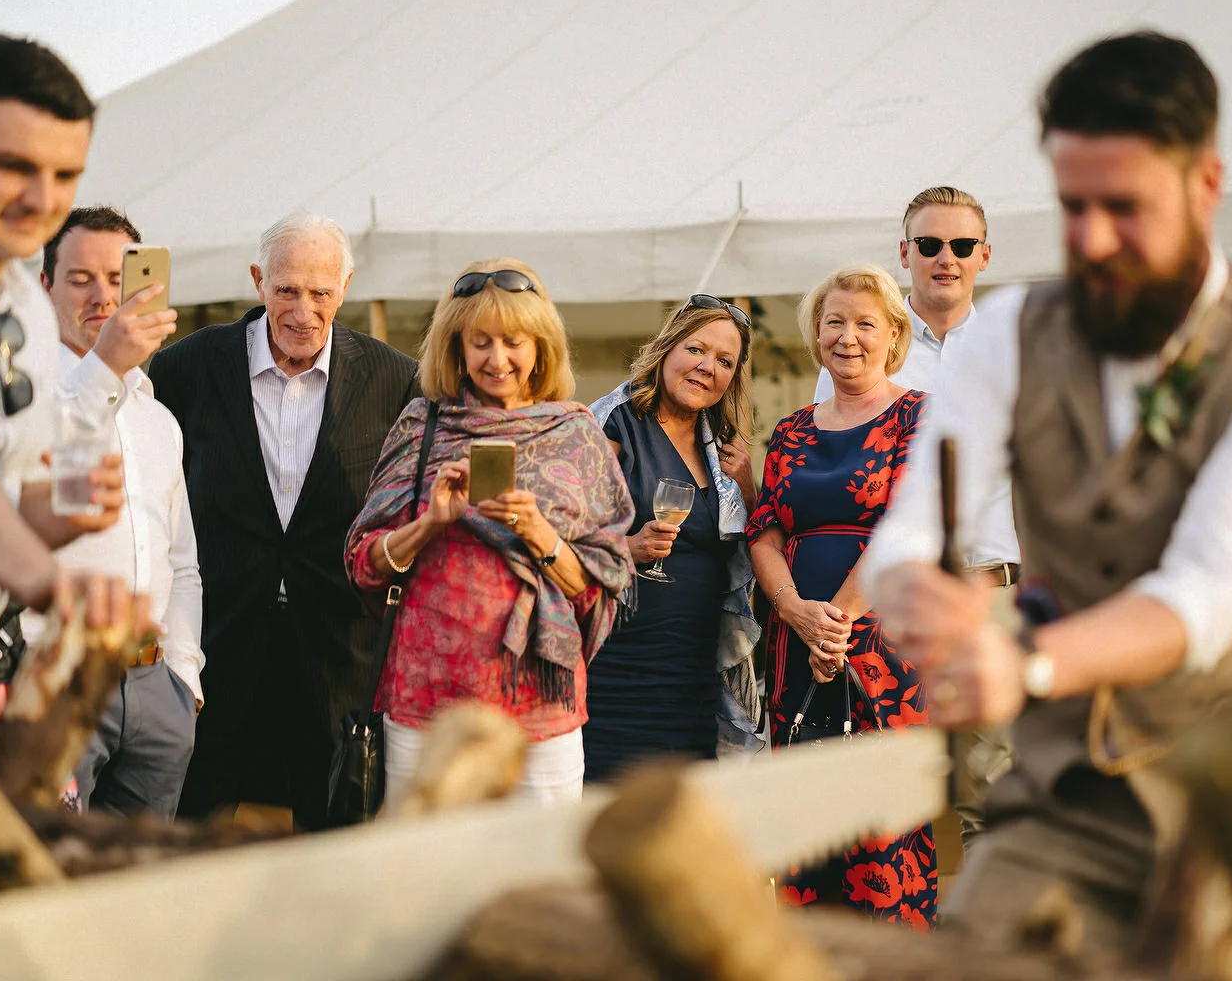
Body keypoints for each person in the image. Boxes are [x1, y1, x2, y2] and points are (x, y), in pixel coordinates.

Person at [863, 31, 1232, 956]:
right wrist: (911, 594)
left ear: (1205, 184)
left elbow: (1204, 593)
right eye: (1071, 205)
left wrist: (1027, 664)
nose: (1091, 240)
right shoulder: (1006, 333)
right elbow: (914, 523)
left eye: (1124, 207)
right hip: (1065, 794)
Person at [149, 213, 420, 830]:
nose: (303, 309)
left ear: (345, 288)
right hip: (217, 643)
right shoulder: (185, 369)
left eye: (320, 292)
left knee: (335, 839)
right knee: (188, 830)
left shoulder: (393, 378)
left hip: (335, 651)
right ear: (257, 281)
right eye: (286, 290)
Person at [345, 258, 633, 806]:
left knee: (540, 871)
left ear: (540, 345)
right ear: (456, 347)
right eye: (480, 342)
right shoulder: (422, 424)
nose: (497, 359)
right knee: (428, 873)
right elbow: (363, 564)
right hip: (425, 701)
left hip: (539, 707)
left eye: (513, 341)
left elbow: (598, 585)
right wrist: (429, 523)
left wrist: (538, 531)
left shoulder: (574, 434)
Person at [0, 35, 129, 744]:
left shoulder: (23, 297)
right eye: (12, 166)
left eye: (65, 174)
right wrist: (52, 582)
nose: (41, 200)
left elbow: (2, 493)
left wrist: (66, 510)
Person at [827, 186, 1020, 842]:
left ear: (984, 256)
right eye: (931, 245)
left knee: (992, 791)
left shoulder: (1011, 344)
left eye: (961, 246)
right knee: (885, 788)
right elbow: (832, 468)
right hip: (893, 599)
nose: (946, 258)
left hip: (987, 589)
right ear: (905, 253)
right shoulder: (863, 343)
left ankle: (987, 941)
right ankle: (888, 939)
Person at [746, 263, 934, 931]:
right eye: (833, 322)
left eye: (864, 323)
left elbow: (907, 528)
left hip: (883, 649)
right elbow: (762, 532)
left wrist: (840, 626)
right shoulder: (792, 429)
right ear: (816, 335)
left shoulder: (918, 414)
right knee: (802, 822)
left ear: (892, 335)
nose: (846, 337)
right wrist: (797, 614)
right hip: (796, 644)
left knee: (878, 821)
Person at [28, 206, 201, 816]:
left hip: (156, 690)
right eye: (81, 278)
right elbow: (55, 467)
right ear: (44, 285)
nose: (103, 295)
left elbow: (180, 561)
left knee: (139, 883)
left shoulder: (158, 420)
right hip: (57, 677)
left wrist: (184, 675)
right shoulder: (18, 397)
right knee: (50, 872)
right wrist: (104, 364)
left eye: (116, 278)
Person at [584, 294, 761, 782]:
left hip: (696, 673)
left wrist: (749, 488)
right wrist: (628, 549)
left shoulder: (722, 451)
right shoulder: (614, 428)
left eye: (725, 361)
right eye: (696, 349)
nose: (708, 367)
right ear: (666, 349)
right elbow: (558, 538)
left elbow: (749, 550)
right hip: (619, 668)